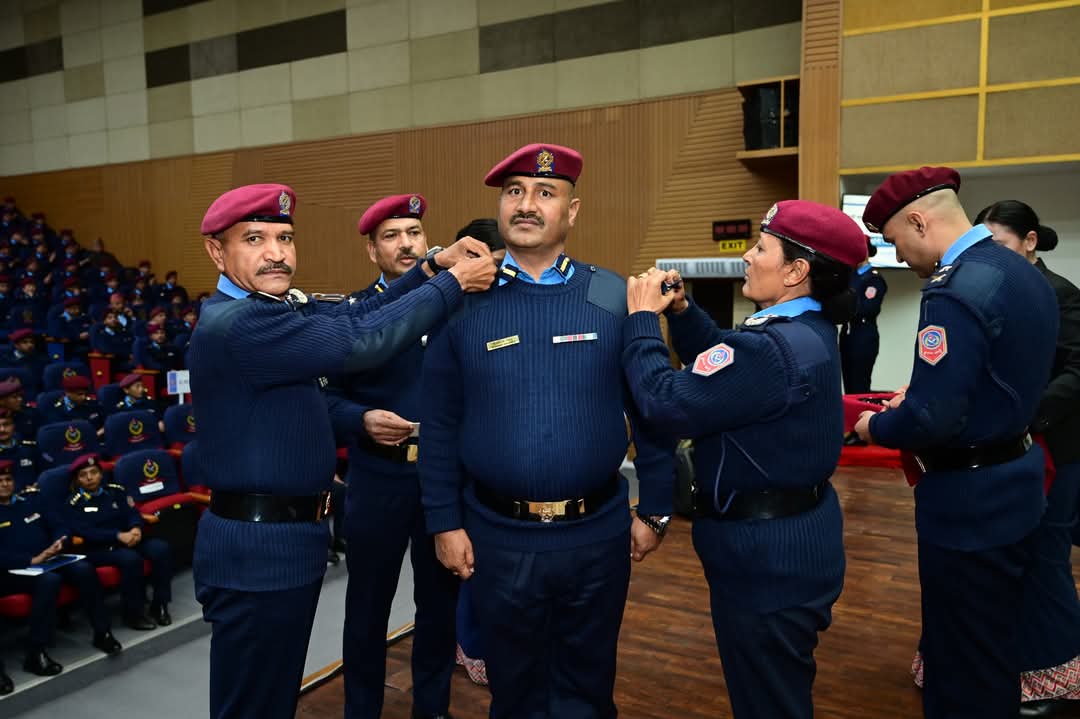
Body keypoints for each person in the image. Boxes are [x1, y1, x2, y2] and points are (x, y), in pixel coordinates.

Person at [186, 183, 495, 719]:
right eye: (255, 239)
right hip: (259, 552)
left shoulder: (270, 309)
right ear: (217, 252)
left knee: (272, 699)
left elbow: (355, 315)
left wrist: (429, 269)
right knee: (252, 704)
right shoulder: (243, 324)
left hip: (284, 542)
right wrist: (452, 283)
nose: (276, 253)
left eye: (285, 238)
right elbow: (360, 340)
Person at [420, 143, 675, 719]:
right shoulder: (462, 305)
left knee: (588, 689)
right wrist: (444, 522)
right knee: (515, 694)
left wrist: (657, 508)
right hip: (498, 538)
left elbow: (650, 410)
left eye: (545, 192)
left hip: (597, 536)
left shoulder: (612, 297)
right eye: (514, 192)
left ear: (572, 211)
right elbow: (439, 425)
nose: (526, 204)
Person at [622, 200, 865, 718]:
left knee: (767, 701)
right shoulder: (806, 329)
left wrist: (642, 320)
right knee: (778, 688)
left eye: (761, 248)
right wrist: (682, 312)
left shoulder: (770, 349)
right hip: (796, 541)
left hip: (765, 562)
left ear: (796, 271)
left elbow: (664, 402)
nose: (748, 257)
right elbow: (723, 362)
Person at [853, 167, 1058, 719]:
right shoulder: (1019, 271)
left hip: (970, 501)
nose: (899, 256)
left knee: (959, 658)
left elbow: (932, 420)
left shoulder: (953, 290)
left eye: (896, 240)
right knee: (994, 644)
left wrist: (876, 427)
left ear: (920, 222)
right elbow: (998, 376)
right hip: (1017, 479)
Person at [326, 193, 460, 719]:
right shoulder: (354, 315)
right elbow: (325, 399)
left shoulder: (456, 305)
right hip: (377, 478)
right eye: (391, 236)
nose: (406, 244)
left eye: (414, 232)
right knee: (367, 608)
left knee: (439, 608)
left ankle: (433, 709)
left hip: (443, 479)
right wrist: (359, 420)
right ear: (371, 250)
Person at [959, 200, 1080, 715]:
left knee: (1046, 558)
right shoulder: (989, 292)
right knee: (1002, 561)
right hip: (1000, 449)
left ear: (1030, 242)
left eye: (1002, 246)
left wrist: (1026, 414)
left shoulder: (1061, 294)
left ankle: (1056, 680)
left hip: (1054, 444)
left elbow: (1077, 371)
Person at [0, 459, 123, 683]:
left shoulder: (32, 500)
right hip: (14, 569)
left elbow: (59, 525)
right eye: (0, 481)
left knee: (84, 569)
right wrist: (31, 559)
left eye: (8, 479)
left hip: (50, 557)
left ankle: (102, 632)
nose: (5, 484)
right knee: (49, 581)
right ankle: (36, 651)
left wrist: (60, 541)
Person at [61, 453, 173, 630]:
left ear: (101, 474)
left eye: (93, 472)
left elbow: (133, 513)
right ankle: (133, 614)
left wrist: (136, 528)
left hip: (129, 538)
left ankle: (160, 604)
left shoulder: (115, 491)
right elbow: (86, 532)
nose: (89, 478)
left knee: (161, 549)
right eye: (83, 475)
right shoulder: (74, 503)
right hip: (100, 548)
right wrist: (118, 535)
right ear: (77, 480)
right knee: (130, 559)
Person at [840, 238, 887, 395]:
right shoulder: (849, 276)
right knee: (848, 385)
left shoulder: (874, 279)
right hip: (847, 335)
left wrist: (843, 309)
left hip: (863, 337)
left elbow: (868, 308)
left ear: (865, 251)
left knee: (859, 386)